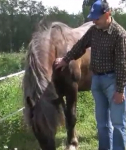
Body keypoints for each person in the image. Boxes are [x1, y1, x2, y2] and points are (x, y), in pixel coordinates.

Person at [55, 0, 126, 150]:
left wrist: (120, 90)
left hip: (113, 82)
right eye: (92, 17)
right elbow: (79, 47)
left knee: (118, 123)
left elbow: (122, 64)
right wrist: (65, 60)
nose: (94, 20)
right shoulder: (93, 30)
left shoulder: (119, 34)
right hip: (97, 81)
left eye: (97, 17)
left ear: (108, 14)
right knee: (102, 123)